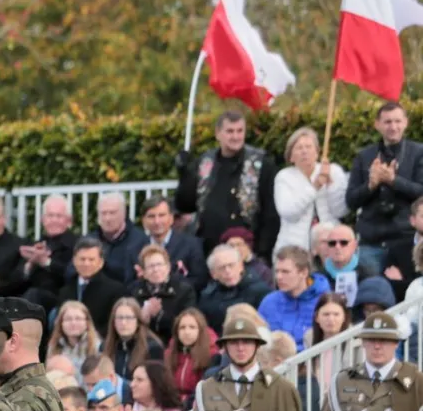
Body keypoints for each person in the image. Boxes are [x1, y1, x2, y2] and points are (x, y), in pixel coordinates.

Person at [176, 110, 280, 258]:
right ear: (218, 133)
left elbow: (271, 212)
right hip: (209, 248)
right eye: (230, 131)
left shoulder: (262, 164)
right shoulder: (204, 162)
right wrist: (184, 174)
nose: (236, 136)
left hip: (246, 249)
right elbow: (185, 205)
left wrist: (262, 251)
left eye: (240, 131)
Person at [190, 316, 303, 411]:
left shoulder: (281, 388)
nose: (240, 348)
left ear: (257, 345)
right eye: (234, 342)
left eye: (247, 342)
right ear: (225, 347)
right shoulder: (208, 388)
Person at [346, 101, 423, 269]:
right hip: (371, 242)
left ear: (406, 123)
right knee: (372, 292)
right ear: (377, 125)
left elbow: (421, 191)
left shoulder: (419, 153)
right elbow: (351, 201)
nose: (393, 127)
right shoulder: (363, 156)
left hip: (407, 241)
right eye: (387, 122)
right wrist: (371, 185)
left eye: (397, 121)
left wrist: (394, 181)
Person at [319, 311, 423, 411]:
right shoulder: (342, 380)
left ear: (396, 343)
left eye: (384, 340)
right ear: (363, 342)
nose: (377, 346)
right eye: (371, 340)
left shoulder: (416, 380)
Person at [275, 127, 349, 254]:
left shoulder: (333, 171)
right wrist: (314, 187)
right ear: (291, 157)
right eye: (299, 148)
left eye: (308, 147)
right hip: (295, 247)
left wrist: (331, 185)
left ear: (317, 152)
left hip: (331, 244)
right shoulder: (284, 177)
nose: (304, 151)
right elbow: (288, 212)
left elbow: (341, 211)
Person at [258, 246, 329, 351]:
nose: (279, 277)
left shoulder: (324, 301)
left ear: (304, 273)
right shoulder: (269, 302)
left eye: (285, 272)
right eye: (277, 271)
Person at [56, 238, 126, 339]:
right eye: (82, 259)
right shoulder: (65, 291)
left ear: (101, 263)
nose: (86, 264)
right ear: (74, 261)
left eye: (91, 259)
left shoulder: (115, 290)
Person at [129, 244, 195, 344]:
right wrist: (142, 317)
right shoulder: (133, 291)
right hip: (141, 345)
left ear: (168, 267)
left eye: (159, 264)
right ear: (143, 272)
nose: (156, 270)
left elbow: (188, 323)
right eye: (151, 266)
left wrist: (160, 315)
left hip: (174, 344)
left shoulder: (184, 291)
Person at [141, 195, 210, 291]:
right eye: (151, 216)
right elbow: (129, 283)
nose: (157, 221)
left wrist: (168, 285)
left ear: (171, 218)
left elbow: (199, 280)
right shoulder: (135, 247)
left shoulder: (192, 245)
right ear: (144, 221)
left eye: (162, 215)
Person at [199, 243, 271, 334]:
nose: (228, 271)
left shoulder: (261, 291)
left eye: (231, 265)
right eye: (222, 268)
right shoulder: (207, 297)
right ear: (213, 274)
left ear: (241, 266)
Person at [89, 192, 151, 284]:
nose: (107, 218)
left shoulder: (140, 240)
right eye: (103, 213)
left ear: (124, 213)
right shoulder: (89, 241)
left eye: (112, 213)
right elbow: (71, 271)